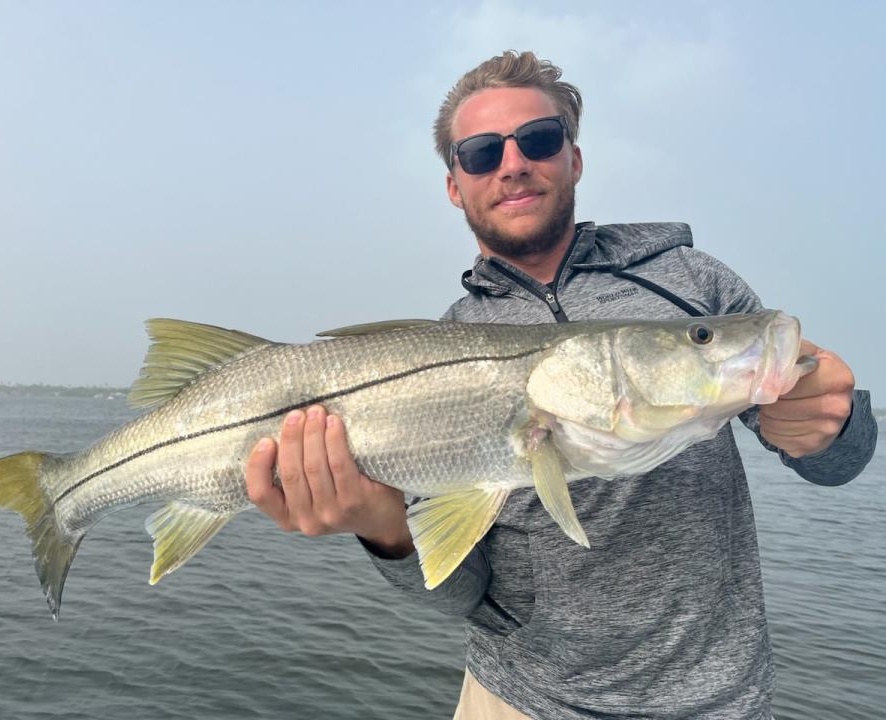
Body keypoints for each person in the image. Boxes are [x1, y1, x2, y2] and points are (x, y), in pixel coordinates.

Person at [244, 51, 878, 719]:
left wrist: (833, 426)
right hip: (515, 700)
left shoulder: (691, 283)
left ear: (574, 158)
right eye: (482, 152)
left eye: (539, 140)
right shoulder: (439, 346)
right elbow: (459, 596)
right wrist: (384, 532)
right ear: (455, 185)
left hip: (717, 702)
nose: (513, 164)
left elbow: (836, 462)